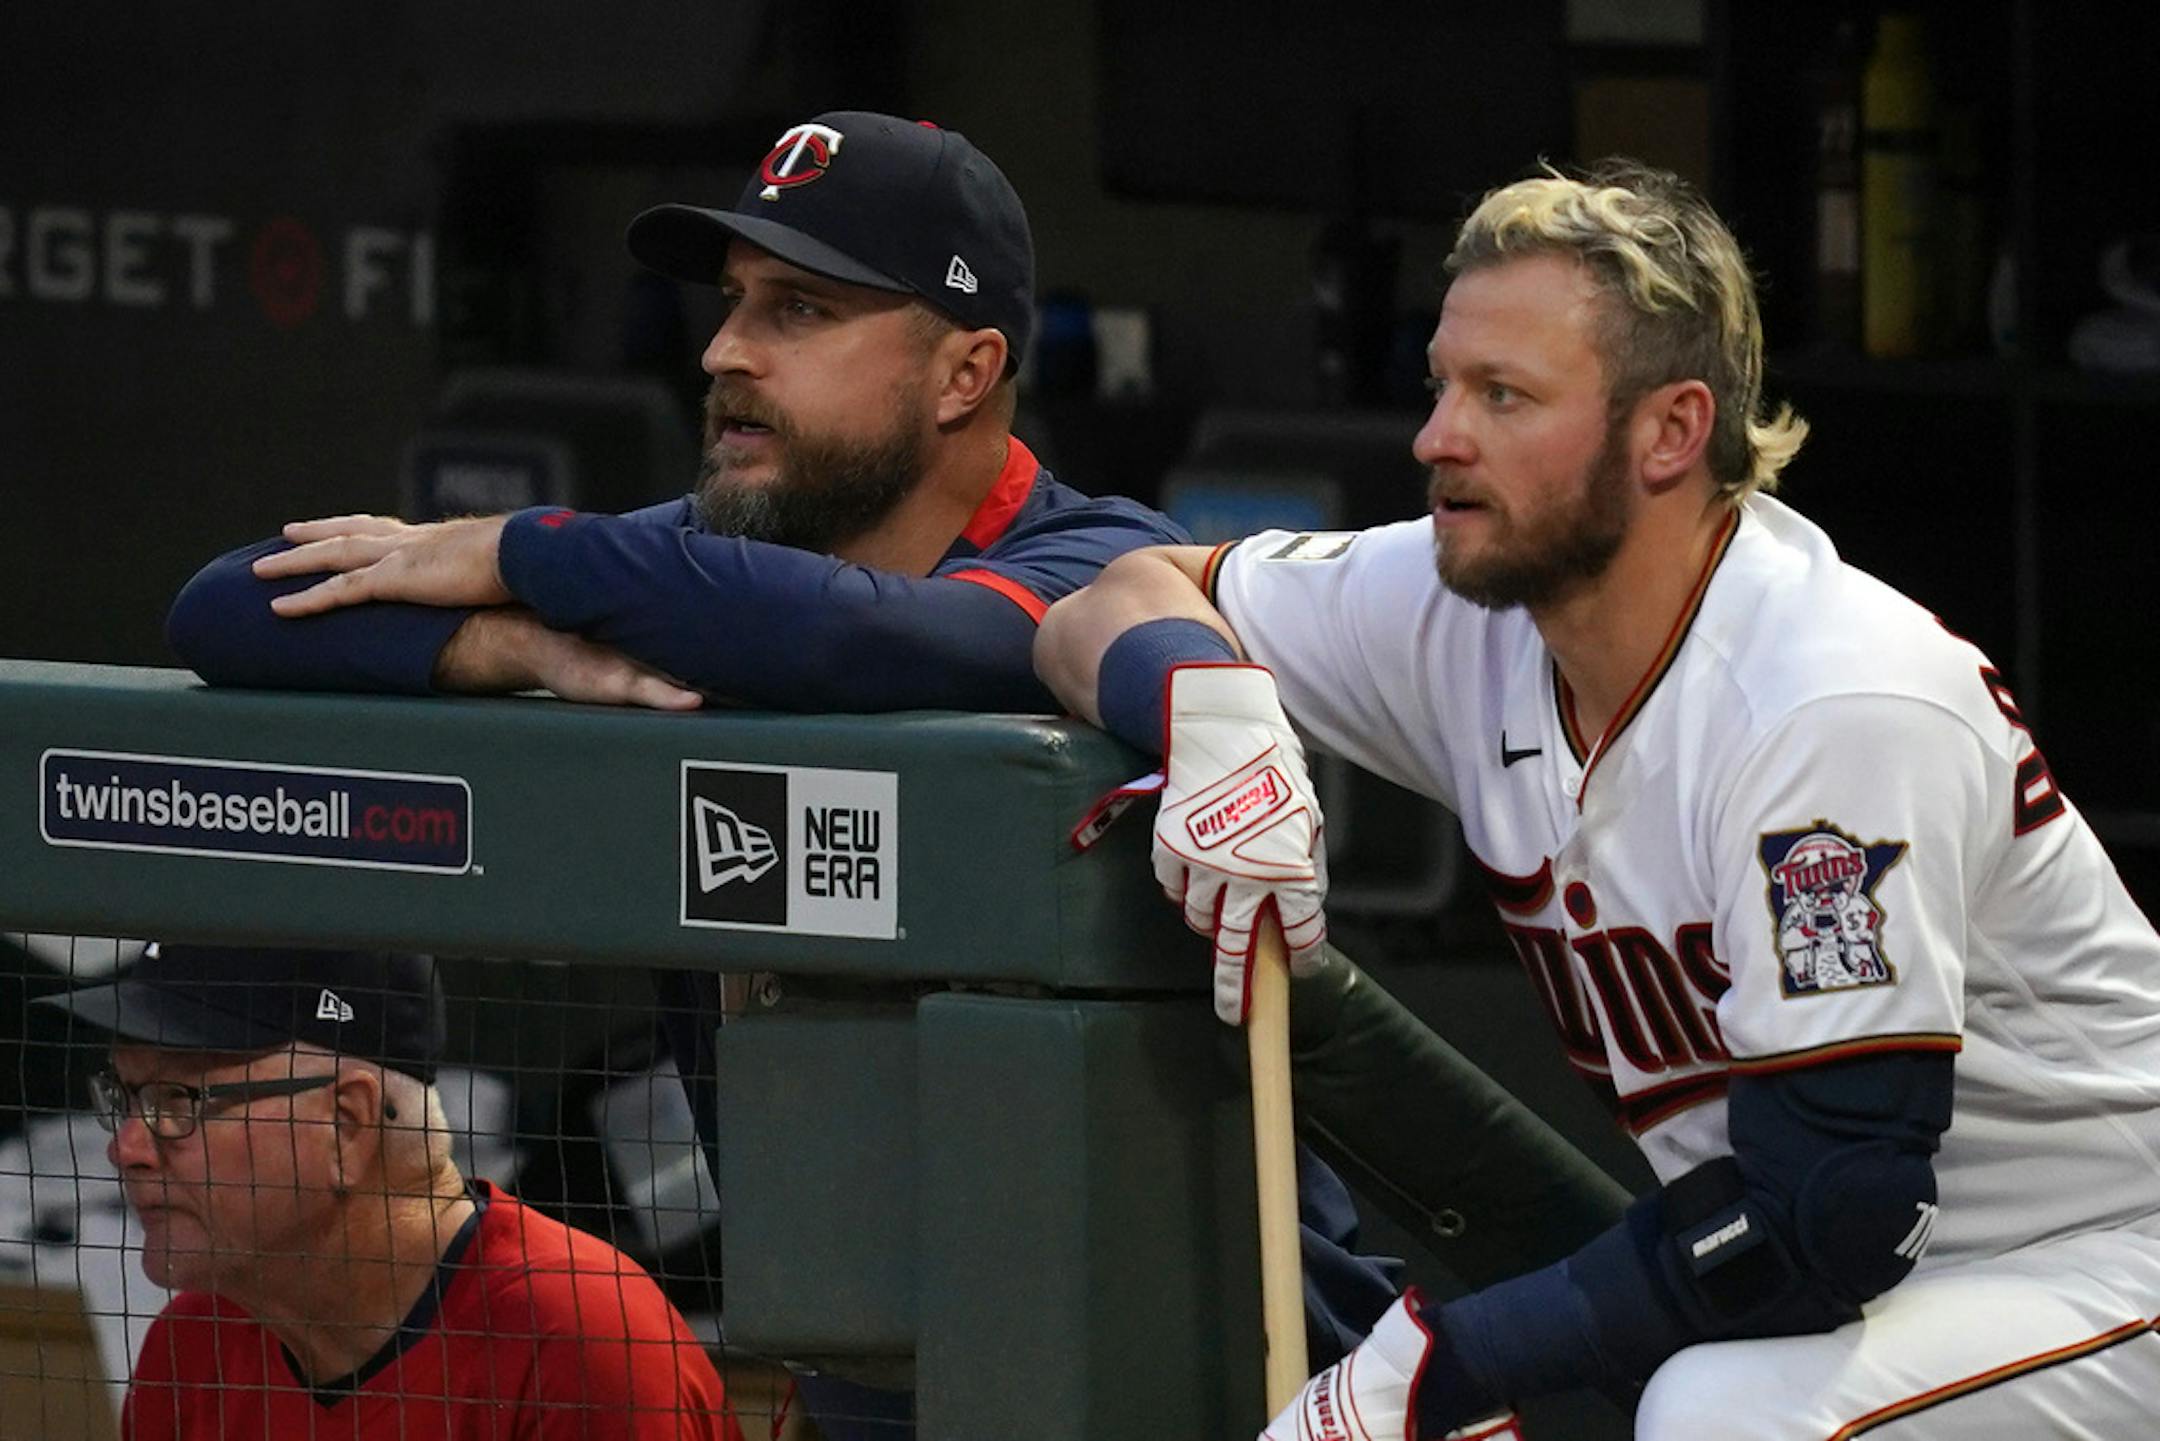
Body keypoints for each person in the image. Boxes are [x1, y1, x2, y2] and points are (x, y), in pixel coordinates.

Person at [159, 112, 1633, 1436]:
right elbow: (227, 603)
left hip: (1201, 1359)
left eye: (798, 309)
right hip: (878, 1369)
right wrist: (512, 646)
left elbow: (871, 645)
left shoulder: (1092, 562)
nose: (728, 350)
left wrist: (526, 552)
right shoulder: (690, 576)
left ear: (967, 371)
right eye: (732, 305)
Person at [1036, 158, 2160, 1440]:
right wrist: (1208, 713)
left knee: (1721, 1416)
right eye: (1442, 386)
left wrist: (1452, 1365)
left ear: (1671, 430)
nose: (1436, 437)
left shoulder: (1830, 702)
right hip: (1883, 1300)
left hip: (2100, 1256)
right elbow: (1109, 596)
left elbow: (1830, 1214)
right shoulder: (1466, 602)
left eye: (1503, 396)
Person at [34, 941, 742, 1440]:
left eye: (177, 1100)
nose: (125, 1147)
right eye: (124, 1097)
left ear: (347, 1123)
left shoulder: (584, 1345)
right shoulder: (191, 1351)